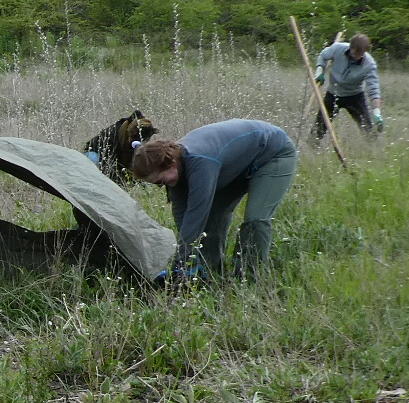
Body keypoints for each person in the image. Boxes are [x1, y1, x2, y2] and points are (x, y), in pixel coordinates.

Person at [127, 118, 299, 281]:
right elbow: (183, 216)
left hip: (272, 155)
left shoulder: (200, 161)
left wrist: (180, 261)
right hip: (237, 164)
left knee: (255, 219)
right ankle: (209, 274)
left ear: (171, 164)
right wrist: (186, 262)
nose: (162, 185)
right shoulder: (176, 170)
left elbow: (197, 213)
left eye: (160, 181)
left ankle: (248, 278)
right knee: (213, 217)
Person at [313, 30, 384, 139]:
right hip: (333, 94)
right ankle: (312, 147)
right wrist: (319, 71)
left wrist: (377, 113)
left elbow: (373, 90)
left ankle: (373, 151)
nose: (356, 56)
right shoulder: (337, 48)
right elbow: (323, 55)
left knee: (368, 130)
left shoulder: (369, 65)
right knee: (318, 129)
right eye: (355, 52)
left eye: (360, 54)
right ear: (350, 47)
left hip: (354, 97)